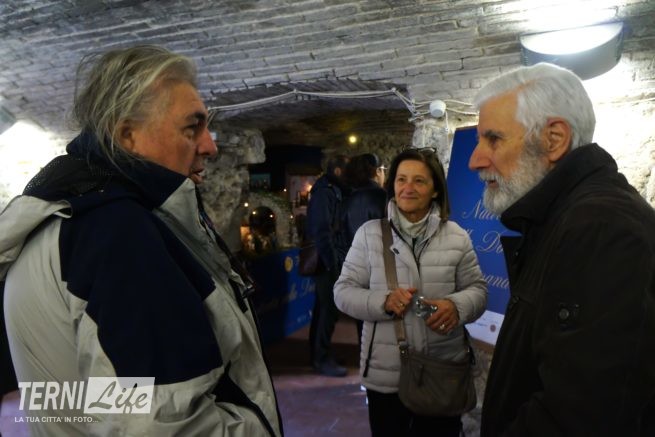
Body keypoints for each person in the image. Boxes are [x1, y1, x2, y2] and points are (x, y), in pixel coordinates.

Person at [0, 45, 282, 436]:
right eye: (191, 127)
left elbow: (108, 400)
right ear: (128, 135)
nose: (210, 146)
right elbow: (160, 425)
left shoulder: (65, 216)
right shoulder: (116, 234)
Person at [468, 62, 655, 436]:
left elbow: (580, 416)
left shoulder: (601, 228)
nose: (475, 160)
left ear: (554, 139)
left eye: (493, 139)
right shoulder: (568, 218)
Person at [334, 148, 487, 436]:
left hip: (443, 368)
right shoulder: (369, 234)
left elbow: (478, 290)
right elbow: (342, 292)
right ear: (392, 184)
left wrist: (456, 306)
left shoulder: (456, 236)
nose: (408, 188)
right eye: (401, 179)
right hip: (387, 372)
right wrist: (383, 301)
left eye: (419, 180)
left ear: (435, 190)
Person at [335, 153, 388, 345]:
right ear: (377, 171)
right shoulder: (383, 197)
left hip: (355, 266)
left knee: (363, 319)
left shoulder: (347, 200)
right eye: (384, 169)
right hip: (384, 267)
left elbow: (340, 238)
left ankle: (364, 353)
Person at [305, 154, 349, 377]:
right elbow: (321, 230)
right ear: (338, 171)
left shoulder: (331, 189)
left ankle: (320, 353)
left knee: (324, 309)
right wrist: (332, 263)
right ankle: (321, 358)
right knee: (328, 310)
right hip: (326, 261)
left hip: (329, 258)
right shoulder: (324, 192)